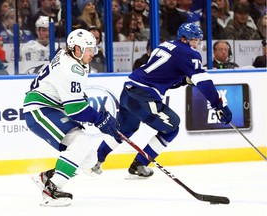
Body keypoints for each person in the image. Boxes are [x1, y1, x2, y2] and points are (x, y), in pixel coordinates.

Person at [91, 23, 233, 178]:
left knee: (124, 129)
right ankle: (139, 165)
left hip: (129, 91)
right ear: (184, 39)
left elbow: (162, 76)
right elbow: (204, 83)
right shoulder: (189, 54)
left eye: (198, 41)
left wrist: (183, 80)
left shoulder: (165, 45)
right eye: (194, 40)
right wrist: (218, 105)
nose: (197, 45)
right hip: (144, 97)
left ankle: (95, 161)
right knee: (172, 128)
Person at [23, 29, 121, 206]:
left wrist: (98, 117)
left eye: (93, 49)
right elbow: (76, 110)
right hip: (39, 109)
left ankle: (47, 177)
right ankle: (51, 190)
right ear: (76, 48)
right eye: (89, 49)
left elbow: (73, 98)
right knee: (81, 142)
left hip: (52, 108)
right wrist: (100, 119)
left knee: (89, 158)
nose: (93, 53)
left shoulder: (71, 57)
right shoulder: (71, 69)